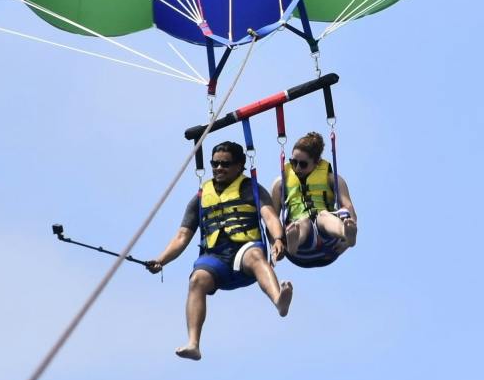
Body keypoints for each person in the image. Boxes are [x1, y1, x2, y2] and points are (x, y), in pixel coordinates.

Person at [136, 141, 289, 360]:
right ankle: (193, 344)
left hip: (244, 252)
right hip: (215, 258)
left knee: (256, 256)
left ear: (239, 166)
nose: (218, 168)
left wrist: (278, 239)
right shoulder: (200, 197)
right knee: (197, 279)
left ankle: (279, 300)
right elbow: (182, 236)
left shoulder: (251, 188)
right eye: (214, 164)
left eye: (225, 164)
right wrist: (161, 260)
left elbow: (270, 216)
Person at [270, 131, 358, 267]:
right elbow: (271, 219)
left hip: (331, 245)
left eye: (303, 164)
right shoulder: (280, 183)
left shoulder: (333, 179)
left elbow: (349, 207)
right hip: (300, 250)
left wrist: (346, 243)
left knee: (323, 215)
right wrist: (276, 242)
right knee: (303, 222)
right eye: (293, 162)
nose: (297, 168)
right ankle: (294, 241)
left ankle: (345, 232)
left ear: (316, 163)